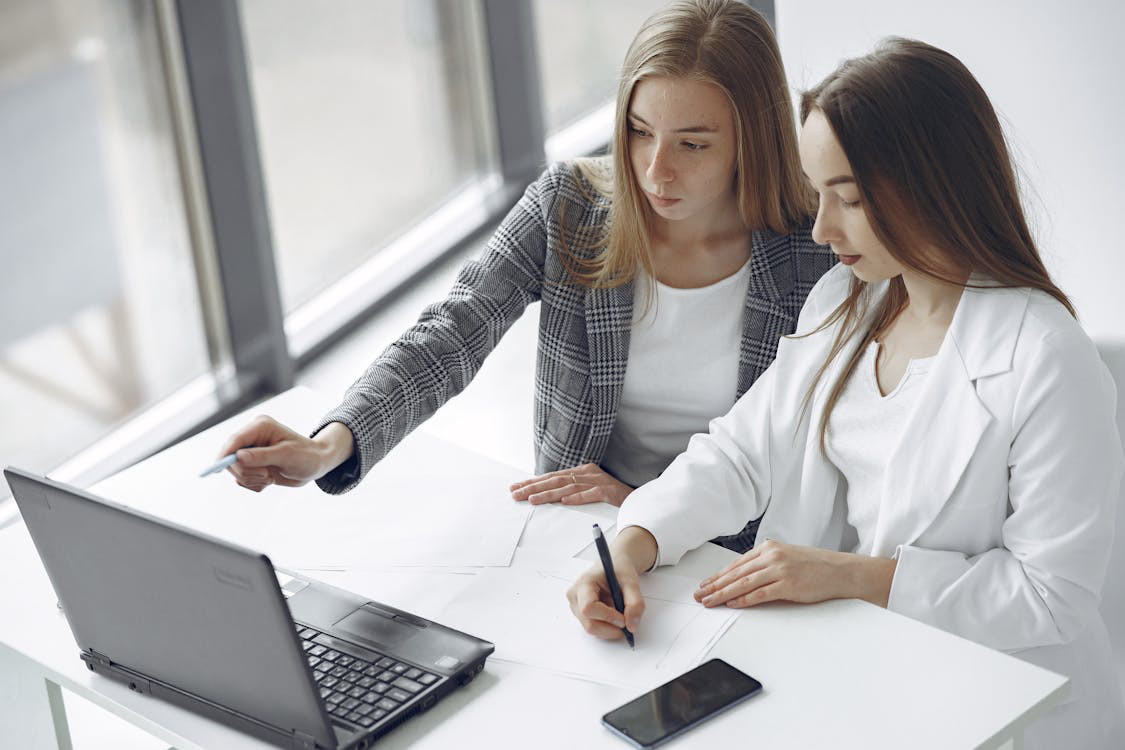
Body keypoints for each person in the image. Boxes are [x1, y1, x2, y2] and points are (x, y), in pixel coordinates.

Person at [567, 38, 1125, 748]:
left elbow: (1052, 598)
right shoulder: (844, 300)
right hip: (850, 666)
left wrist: (853, 577)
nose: (822, 230)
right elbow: (741, 453)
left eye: (849, 200)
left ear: (934, 186)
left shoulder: (1045, 358)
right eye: (817, 193)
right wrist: (632, 545)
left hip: (994, 707)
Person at [216, 0, 834, 552]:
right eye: (640, 133)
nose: (655, 172)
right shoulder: (569, 205)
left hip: (732, 556)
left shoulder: (819, 249)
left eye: (692, 145)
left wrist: (641, 510)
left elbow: (813, 464)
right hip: (577, 537)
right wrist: (329, 445)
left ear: (754, 138)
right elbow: (451, 334)